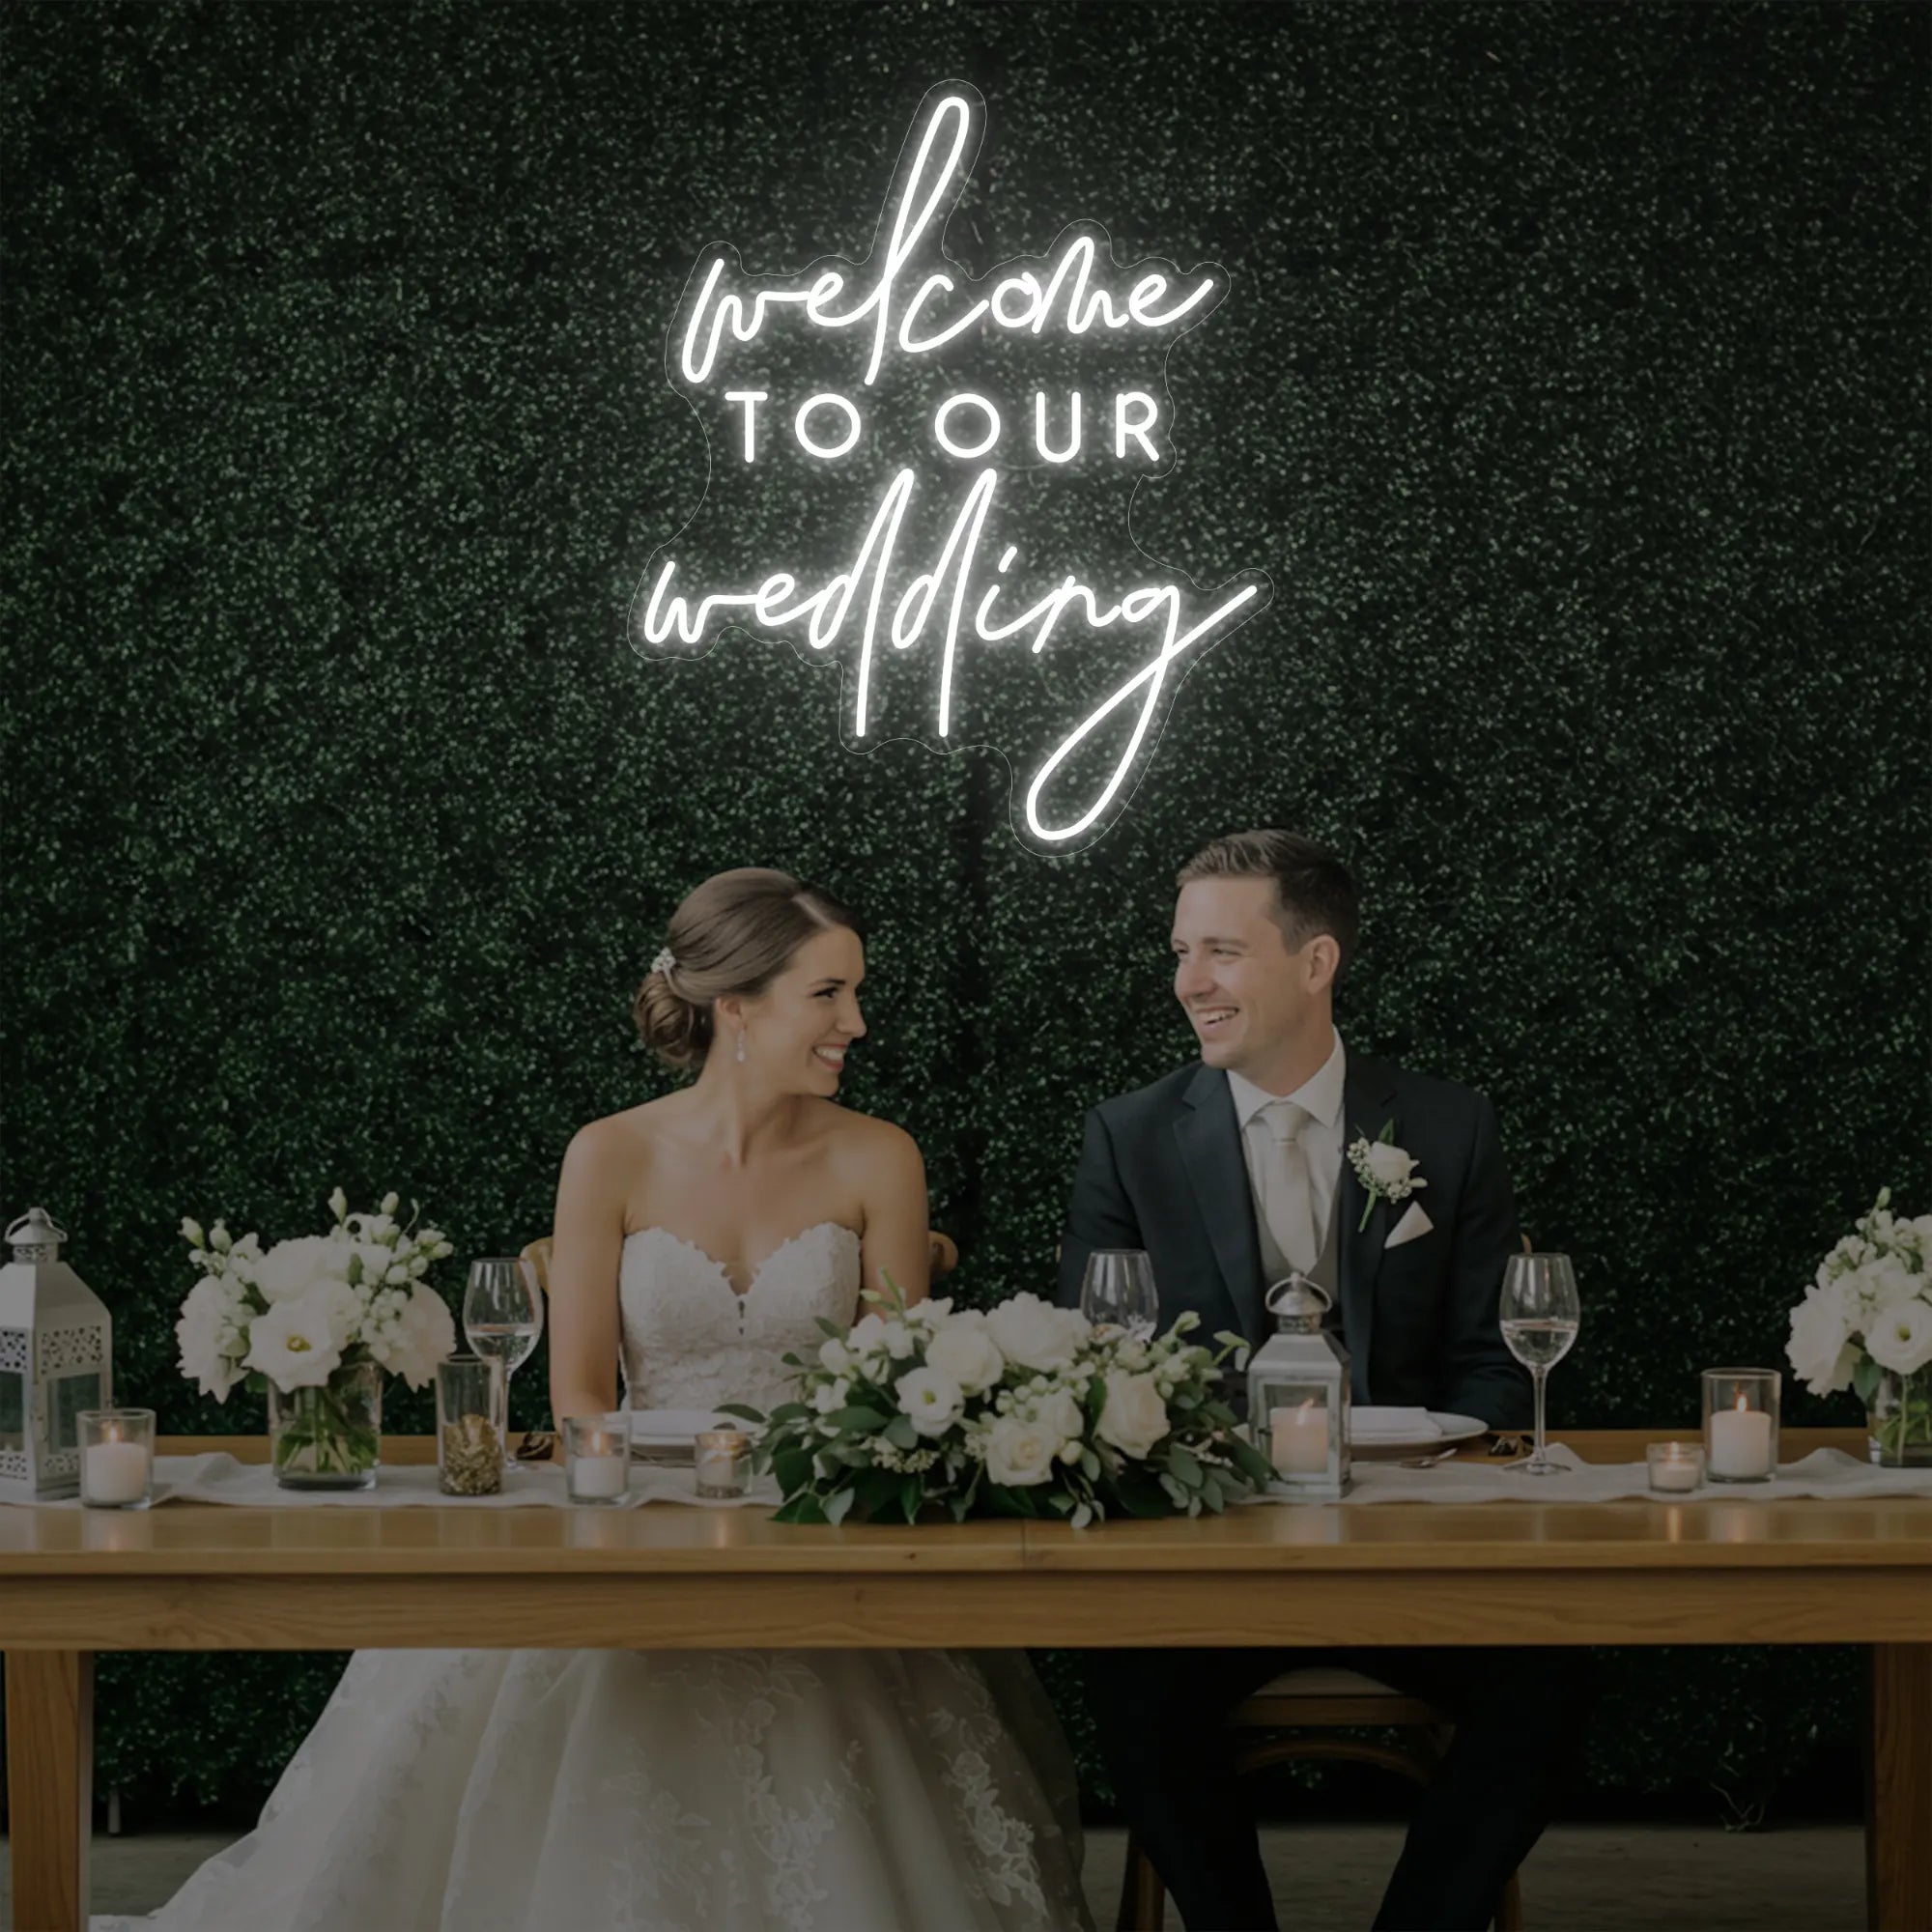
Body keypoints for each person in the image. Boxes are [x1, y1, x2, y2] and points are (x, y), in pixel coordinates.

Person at [106, 868, 1089, 1932]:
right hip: (626, 1509)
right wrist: (649, 1495)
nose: (855, 1020)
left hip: (813, 1526)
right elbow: (577, 1387)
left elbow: (892, 1387)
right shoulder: (609, 1152)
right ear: (736, 1007)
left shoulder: (880, 1154)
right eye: (828, 993)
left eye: (853, 992)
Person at [1057, 830, 1587, 1932]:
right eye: (1178, 952)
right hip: (1211, 1560)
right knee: (1130, 1682)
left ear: (1315, 962)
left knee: (1554, 1677)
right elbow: (1099, 1364)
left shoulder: (1446, 1123)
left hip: (1413, 1546)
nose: (1186, 982)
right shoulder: (1130, 1136)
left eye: (1219, 952)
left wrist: (1422, 1474)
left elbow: (1495, 1356)